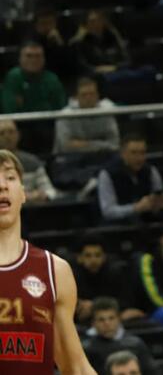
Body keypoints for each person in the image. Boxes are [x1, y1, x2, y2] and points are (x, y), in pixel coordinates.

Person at [0, 149, 96, 374]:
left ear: (23, 193)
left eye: (10, 177)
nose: (2, 185)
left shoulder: (54, 270)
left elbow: (76, 367)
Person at [97, 134, 163, 223]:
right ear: (122, 154)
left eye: (142, 153)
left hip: (148, 223)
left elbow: (160, 198)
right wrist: (136, 208)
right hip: (118, 227)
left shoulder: (151, 171)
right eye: (134, 153)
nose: (139, 158)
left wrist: (159, 205)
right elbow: (108, 211)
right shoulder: (107, 174)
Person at [73, 234, 143, 323]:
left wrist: (94, 305)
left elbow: (126, 301)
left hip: (113, 319)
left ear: (104, 257)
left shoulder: (115, 273)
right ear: (79, 258)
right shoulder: (72, 276)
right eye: (88, 255)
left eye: (97, 255)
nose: (93, 260)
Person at [82, 297, 160, 375]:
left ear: (119, 319)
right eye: (101, 320)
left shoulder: (136, 344)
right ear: (93, 323)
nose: (107, 324)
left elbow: (152, 372)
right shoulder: (86, 349)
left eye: (111, 318)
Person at [54, 77, 120, 154]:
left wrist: (84, 144)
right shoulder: (65, 115)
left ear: (98, 95)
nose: (88, 98)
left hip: (102, 155)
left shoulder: (106, 111)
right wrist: (100, 144)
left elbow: (114, 143)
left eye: (92, 94)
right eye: (84, 95)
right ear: (76, 97)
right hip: (70, 157)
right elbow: (65, 146)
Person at [0, 119, 57, 202]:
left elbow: (50, 192)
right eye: (2, 133)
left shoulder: (32, 162)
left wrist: (39, 195)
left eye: (11, 132)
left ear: (18, 135)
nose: (7, 137)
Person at [1, 41, 66, 113]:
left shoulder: (52, 79)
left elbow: (60, 108)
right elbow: (10, 109)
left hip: (48, 122)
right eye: (29, 56)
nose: (34, 60)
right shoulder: (14, 76)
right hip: (17, 123)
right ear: (20, 58)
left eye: (38, 56)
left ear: (44, 59)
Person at [69, 9, 129, 75]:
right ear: (86, 24)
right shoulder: (82, 42)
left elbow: (126, 59)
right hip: (97, 76)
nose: (96, 23)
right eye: (92, 21)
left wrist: (115, 67)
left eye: (99, 19)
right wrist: (96, 69)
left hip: (118, 72)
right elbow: (81, 65)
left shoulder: (111, 36)